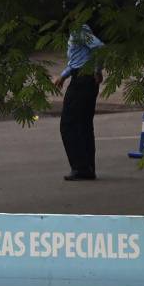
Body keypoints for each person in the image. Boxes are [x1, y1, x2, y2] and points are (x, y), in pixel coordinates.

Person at [53, 25, 104, 181]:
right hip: (83, 78)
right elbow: (77, 59)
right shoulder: (81, 31)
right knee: (84, 125)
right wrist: (63, 76)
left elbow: (100, 47)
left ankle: (81, 167)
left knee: (69, 124)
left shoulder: (78, 31)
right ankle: (87, 168)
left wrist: (97, 70)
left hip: (83, 80)